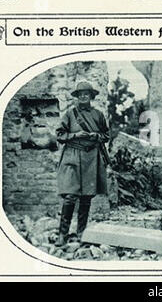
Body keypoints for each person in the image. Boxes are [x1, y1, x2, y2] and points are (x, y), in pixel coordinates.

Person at [55, 81, 110, 246]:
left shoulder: (98, 115)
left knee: (86, 197)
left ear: (91, 96)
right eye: (80, 94)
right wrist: (76, 135)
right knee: (70, 196)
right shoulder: (70, 114)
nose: (83, 97)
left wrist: (96, 136)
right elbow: (59, 134)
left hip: (91, 157)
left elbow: (106, 135)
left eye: (86, 94)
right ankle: (62, 234)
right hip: (73, 156)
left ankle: (81, 233)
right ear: (77, 97)